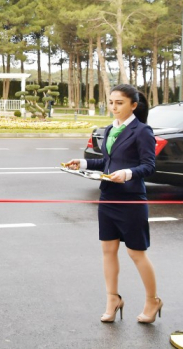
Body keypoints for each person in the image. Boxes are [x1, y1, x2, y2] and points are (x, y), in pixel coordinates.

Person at [64, 84, 161, 324]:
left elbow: (149, 166)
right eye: (111, 102)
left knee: (136, 253)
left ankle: (152, 300)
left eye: (119, 103)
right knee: (108, 251)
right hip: (108, 197)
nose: (114, 107)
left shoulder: (142, 131)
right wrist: (82, 163)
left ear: (133, 106)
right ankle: (112, 299)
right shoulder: (109, 130)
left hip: (131, 199)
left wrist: (127, 173)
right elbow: (107, 164)